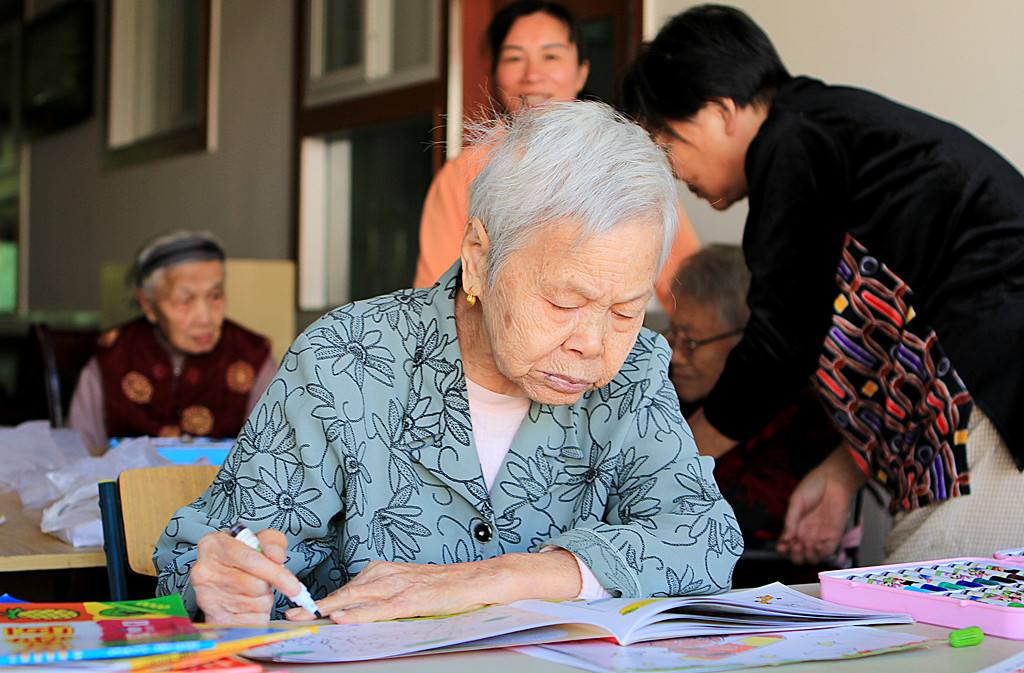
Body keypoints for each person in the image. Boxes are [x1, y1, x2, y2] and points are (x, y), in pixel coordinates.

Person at [153, 101, 742, 625]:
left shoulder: (631, 370)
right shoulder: (346, 361)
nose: (592, 342)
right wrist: (227, 588)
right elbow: (199, 564)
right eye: (564, 302)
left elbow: (704, 539)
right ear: (479, 258)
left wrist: (499, 579)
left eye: (625, 310)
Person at [623, 5, 1024, 563]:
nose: (673, 171)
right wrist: (842, 473)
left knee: (929, 597)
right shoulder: (826, 130)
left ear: (720, 111)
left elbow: (780, 344)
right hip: (980, 380)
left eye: (668, 143)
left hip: (994, 381)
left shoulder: (792, 143)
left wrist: (676, 458)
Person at [413, 0, 699, 311]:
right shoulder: (464, 174)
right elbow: (435, 298)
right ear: (495, 74)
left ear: (581, 72)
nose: (532, 74)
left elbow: (689, 286)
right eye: (514, 57)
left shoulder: (623, 163)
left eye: (550, 56)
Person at [666, 245, 846, 584]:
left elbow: (745, 516)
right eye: (673, 334)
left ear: (747, 340)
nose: (675, 356)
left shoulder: (802, 419)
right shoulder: (665, 395)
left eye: (690, 342)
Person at [68, 232, 275, 453]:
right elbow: (77, 453)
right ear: (148, 305)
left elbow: (274, 454)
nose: (205, 318)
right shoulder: (113, 354)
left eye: (215, 296)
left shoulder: (252, 355)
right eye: (185, 300)